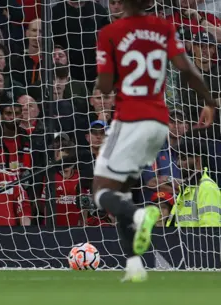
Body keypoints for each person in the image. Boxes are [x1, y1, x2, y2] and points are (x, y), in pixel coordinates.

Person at [93, 0, 217, 282]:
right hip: (159, 125)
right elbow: (188, 71)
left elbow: (104, 83)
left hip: (129, 121)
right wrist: (209, 102)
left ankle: (138, 215)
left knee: (101, 191)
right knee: (122, 190)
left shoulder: (111, 32)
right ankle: (134, 265)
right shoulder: (163, 28)